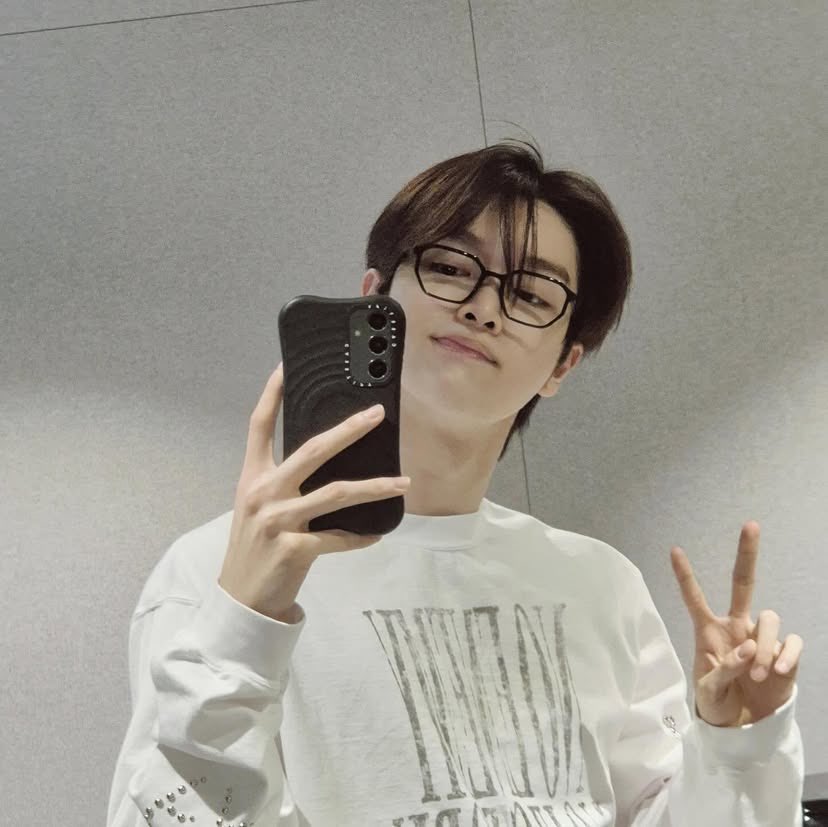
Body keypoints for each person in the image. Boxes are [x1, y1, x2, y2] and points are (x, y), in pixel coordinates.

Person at [107, 141, 804, 826]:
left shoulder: (602, 584)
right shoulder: (218, 573)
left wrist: (739, 747)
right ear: (372, 301)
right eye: (447, 266)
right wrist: (240, 628)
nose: (483, 306)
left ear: (562, 364)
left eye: (530, 292)